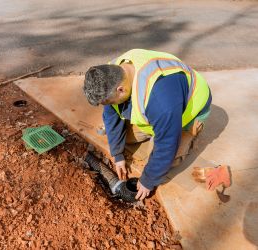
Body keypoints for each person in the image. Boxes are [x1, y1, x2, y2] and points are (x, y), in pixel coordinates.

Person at [83, 49, 212, 200]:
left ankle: (189, 134)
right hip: (161, 111)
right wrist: (117, 155)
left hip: (188, 114)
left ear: (121, 90)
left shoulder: (161, 100)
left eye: (108, 102)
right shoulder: (112, 72)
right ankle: (154, 127)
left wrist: (148, 180)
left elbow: (167, 144)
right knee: (125, 140)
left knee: (165, 163)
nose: (108, 105)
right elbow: (111, 115)